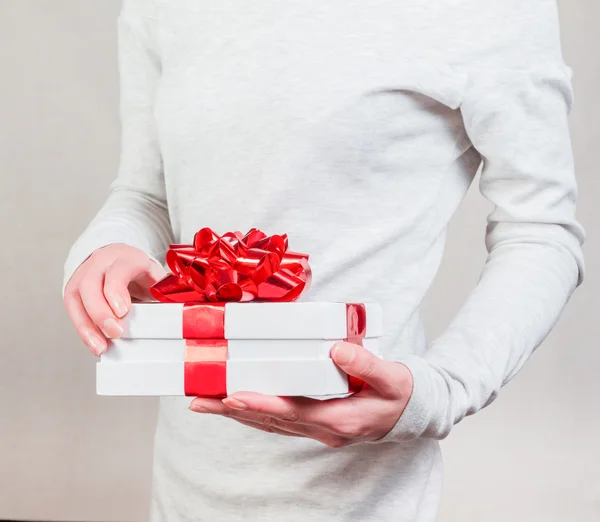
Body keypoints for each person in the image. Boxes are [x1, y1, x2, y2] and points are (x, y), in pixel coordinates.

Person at [63, 1, 585, 520]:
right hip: (183, 485)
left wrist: (441, 389)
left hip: (364, 494)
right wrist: (105, 248)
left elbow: (540, 228)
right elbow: (147, 196)